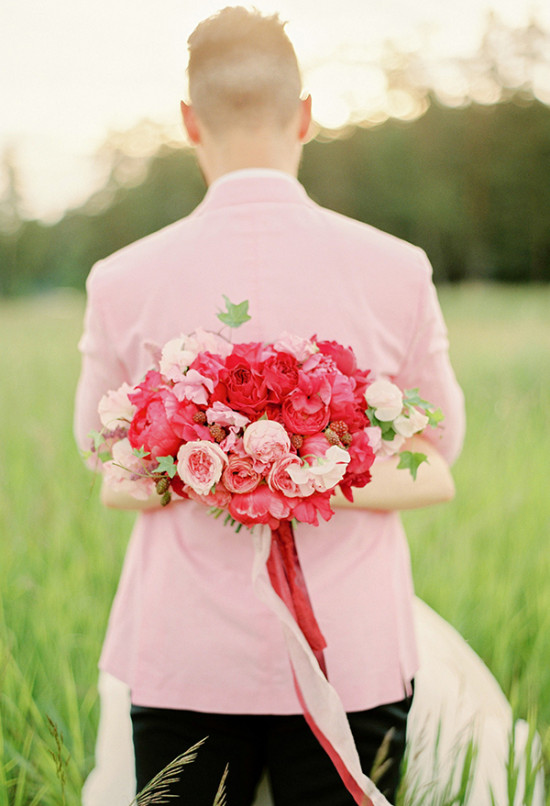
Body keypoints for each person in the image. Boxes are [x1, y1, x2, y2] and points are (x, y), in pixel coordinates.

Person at [74, 7, 465, 804]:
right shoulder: (396, 269)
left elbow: (102, 459)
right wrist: (306, 467)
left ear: (188, 122)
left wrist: (245, 469)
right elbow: (437, 450)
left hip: (186, 656)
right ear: (308, 115)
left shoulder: (121, 278)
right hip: (349, 655)